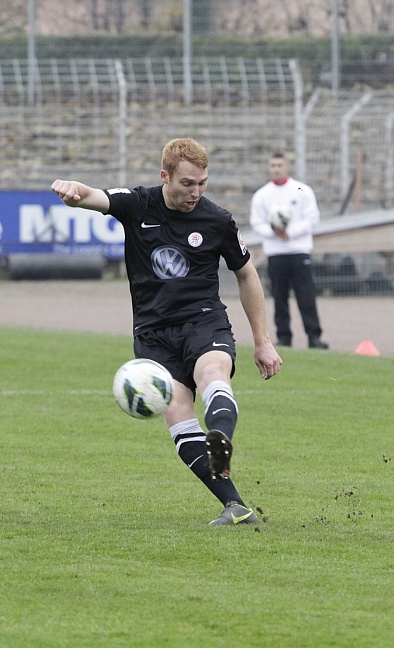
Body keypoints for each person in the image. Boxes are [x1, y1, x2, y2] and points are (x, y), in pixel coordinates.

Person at [51, 138, 282, 526]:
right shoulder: (138, 204)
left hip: (204, 320)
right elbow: (94, 196)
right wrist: (74, 193)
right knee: (177, 412)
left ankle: (220, 439)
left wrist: (262, 341)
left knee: (212, 375)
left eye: (202, 183)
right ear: (165, 176)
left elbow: (247, 274)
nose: (196, 192)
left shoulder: (217, 220)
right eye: (187, 183)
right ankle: (237, 507)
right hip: (154, 334)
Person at [249, 152, 328, 349]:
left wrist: (290, 233)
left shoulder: (301, 189)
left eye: (280, 165)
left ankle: (314, 336)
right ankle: (284, 337)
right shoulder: (262, 195)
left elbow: (312, 217)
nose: (276, 169)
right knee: (279, 296)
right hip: (276, 252)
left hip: (298, 250)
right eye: (273, 165)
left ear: (287, 167)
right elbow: (256, 222)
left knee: (306, 295)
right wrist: (274, 232)